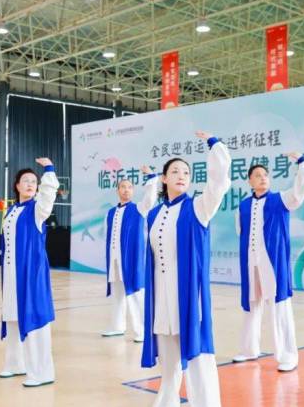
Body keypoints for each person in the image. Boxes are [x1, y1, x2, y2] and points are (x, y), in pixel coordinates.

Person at [141, 131, 231, 407]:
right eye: (175, 171)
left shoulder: (199, 207)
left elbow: (219, 183)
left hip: (189, 297)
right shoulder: (154, 214)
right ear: (164, 178)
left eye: (186, 172)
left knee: (198, 360)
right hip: (161, 300)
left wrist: (215, 145)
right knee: (169, 366)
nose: (181, 175)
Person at [232, 153, 304, 373]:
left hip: (272, 262)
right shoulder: (243, 206)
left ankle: (288, 356)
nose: (263, 178)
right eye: (258, 175)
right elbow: (241, 232)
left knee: (279, 305)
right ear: (249, 181)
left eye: (265, 175)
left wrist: (303, 164)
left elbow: (301, 191)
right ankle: (249, 350)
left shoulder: (281, 199)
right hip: (251, 261)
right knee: (251, 304)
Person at [0, 158, 59, 387]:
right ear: (17, 185)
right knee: (12, 315)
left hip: (32, 273)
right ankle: (15, 363)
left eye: (34, 181)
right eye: (26, 181)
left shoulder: (37, 209)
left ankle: (43, 372)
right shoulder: (11, 211)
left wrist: (49, 171)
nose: (31, 184)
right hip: (11, 274)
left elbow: (48, 196)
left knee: (36, 317)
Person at [100, 166, 158, 342]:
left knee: (135, 294)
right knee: (117, 294)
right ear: (117, 190)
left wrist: (151, 178)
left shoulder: (139, 208)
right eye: (123, 187)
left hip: (132, 260)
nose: (126, 190)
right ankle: (117, 326)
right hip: (114, 260)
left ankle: (142, 331)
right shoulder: (110, 213)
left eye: (130, 187)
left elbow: (150, 199)